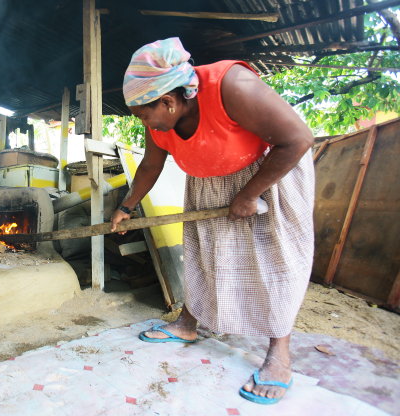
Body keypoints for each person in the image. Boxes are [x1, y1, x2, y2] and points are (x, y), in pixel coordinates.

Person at [110, 37, 315, 405]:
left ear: (169, 102)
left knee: (273, 263)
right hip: (211, 181)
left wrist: (250, 194)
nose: (143, 122)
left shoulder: (231, 86)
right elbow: (152, 163)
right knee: (205, 254)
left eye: (143, 114)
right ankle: (188, 324)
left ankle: (279, 355)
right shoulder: (160, 117)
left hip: (268, 175)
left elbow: (298, 139)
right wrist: (127, 207)